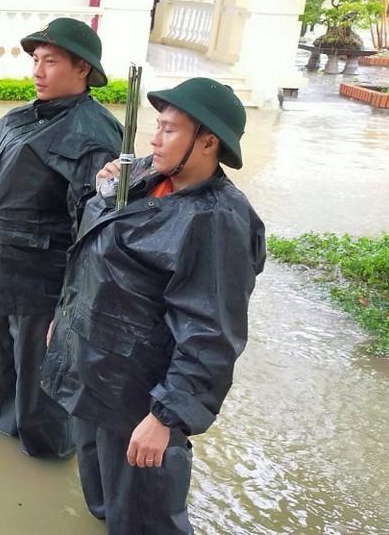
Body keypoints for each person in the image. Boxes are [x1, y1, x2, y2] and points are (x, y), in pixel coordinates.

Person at [39, 77, 266, 533]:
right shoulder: (144, 175)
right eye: (157, 125)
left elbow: (211, 335)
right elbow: (95, 253)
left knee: (146, 519)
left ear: (207, 142)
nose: (154, 138)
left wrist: (166, 417)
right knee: (104, 502)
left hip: (139, 397)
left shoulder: (216, 222)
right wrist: (63, 320)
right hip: (92, 374)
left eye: (169, 130)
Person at [0, 18, 123, 457]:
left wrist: (72, 302)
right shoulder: (18, 118)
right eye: (36, 60)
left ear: (82, 69)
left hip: (46, 283)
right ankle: (5, 440)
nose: (38, 71)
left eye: (50, 62)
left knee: (44, 387)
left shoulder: (94, 133)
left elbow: (97, 228)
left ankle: (50, 453)